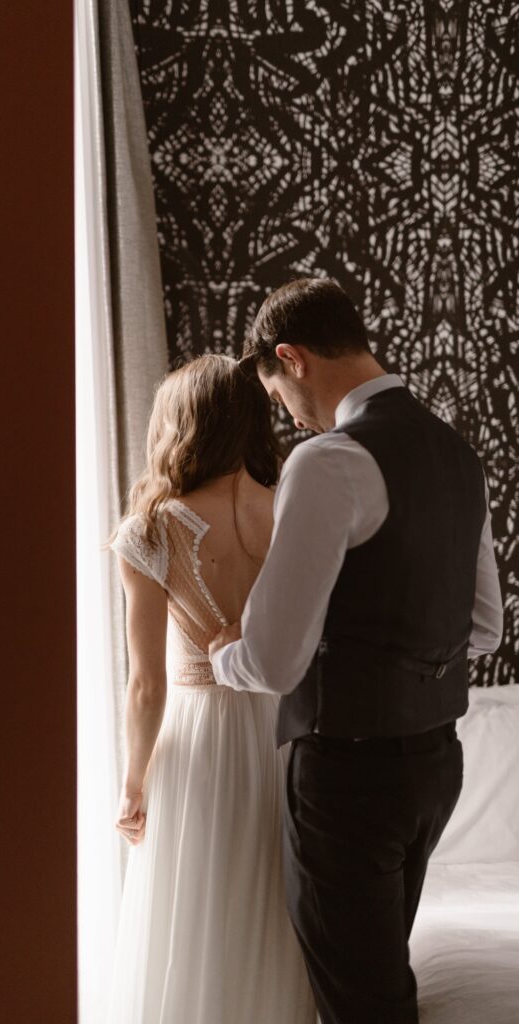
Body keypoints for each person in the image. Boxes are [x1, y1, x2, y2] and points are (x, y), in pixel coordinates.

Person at [209, 277, 504, 1024]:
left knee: (358, 1005)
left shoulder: (328, 461)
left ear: (291, 357)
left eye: (277, 395)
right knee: (376, 987)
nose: (287, 415)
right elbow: (484, 628)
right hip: (436, 767)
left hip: (347, 775)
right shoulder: (456, 453)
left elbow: (274, 662)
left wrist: (220, 657)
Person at [106, 355, 316, 1024]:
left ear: (180, 422)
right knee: (272, 894)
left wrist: (133, 783)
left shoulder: (150, 528)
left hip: (198, 739)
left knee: (193, 902)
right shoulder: (292, 505)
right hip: (286, 728)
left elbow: (145, 685)